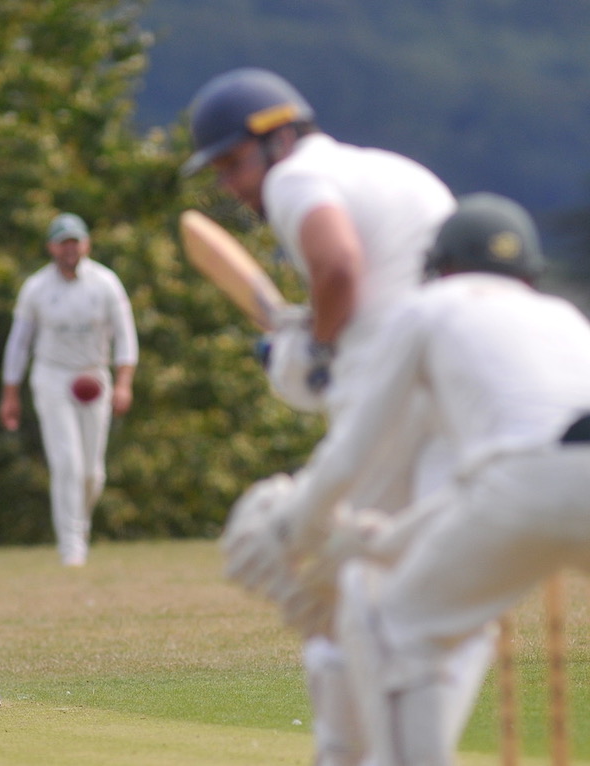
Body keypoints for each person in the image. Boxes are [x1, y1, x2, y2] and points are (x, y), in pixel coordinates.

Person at [224, 193, 590, 765]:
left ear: (439, 267)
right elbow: (496, 480)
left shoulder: (428, 309)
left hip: (521, 489)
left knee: (400, 633)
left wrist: (295, 527)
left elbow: (355, 453)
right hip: (552, 473)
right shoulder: (564, 318)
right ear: (528, 272)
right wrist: (385, 540)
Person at [182, 67, 457, 764]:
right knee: (421, 586)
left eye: (234, 162)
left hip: (394, 403)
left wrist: (318, 350)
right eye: (219, 170)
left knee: (340, 582)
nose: (233, 185)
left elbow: (338, 267)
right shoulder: (393, 171)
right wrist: (318, 337)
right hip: (455, 393)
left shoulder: (295, 179)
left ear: (278, 139)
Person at [0, 213, 138, 567]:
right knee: (67, 463)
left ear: (86, 244)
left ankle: (80, 525)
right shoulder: (36, 288)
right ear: (52, 247)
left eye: (75, 241)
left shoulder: (106, 283)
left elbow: (125, 336)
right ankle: (71, 548)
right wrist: (10, 393)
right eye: (63, 242)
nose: (69, 249)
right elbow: (19, 344)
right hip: (52, 376)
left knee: (92, 472)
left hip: (94, 376)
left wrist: (123, 383)